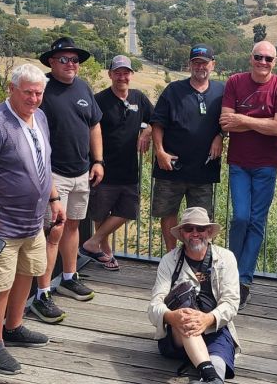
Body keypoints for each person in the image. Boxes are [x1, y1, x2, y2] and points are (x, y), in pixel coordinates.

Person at [0, 64, 63, 373]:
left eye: (39, 93)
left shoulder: (41, 118)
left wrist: (54, 198)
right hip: (3, 225)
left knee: (27, 274)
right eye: (28, 93)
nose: (34, 99)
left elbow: (43, 163)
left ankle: (14, 326)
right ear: (11, 89)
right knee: (0, 286)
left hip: (33, 221)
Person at [148, 207, 240, 384]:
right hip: (179, 335)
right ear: (182, 234)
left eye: (201, 229)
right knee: (187, 316)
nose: (195, 233)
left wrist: (208, 319)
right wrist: (172, 316)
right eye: (189, 229)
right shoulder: (170, 261)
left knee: (217, 364)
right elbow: (153, 307)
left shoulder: (225, 258)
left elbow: (231, 303)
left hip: (215, 327)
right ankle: (211, 380)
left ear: (209, 232)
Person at [35, 36, 104, 322]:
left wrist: (98, 160)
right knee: (53, 231)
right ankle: (42, 293)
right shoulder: (42, 90)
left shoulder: (83, 87)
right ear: (51, 61)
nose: (71, 64)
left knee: (73, 225)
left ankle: (68, 276)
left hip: (81, 171)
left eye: (75, 60)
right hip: (54, 174)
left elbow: (94, 125)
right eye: (64, 59)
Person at [220, 41, 277, 306]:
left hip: (266, 165)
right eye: (259, 57)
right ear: (250, 58)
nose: (263, 62)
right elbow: (227, 122)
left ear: (275, 61)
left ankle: (244, 279)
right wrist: (261, 122)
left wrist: (244, 119)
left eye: (268, 59)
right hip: (239, 163)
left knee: (256, 221)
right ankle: (230, 271)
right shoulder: (235, 82)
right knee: (240, 217)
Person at [79, 55, 154, 270]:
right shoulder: (99, 100)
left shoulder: (138, 98)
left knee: (128, 211)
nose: (122, 77)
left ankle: (92, 243)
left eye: (126, 72)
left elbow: (157, 119)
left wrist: (147, 132)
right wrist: (94, 161)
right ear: (110, 74)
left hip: (129, 169)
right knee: (100, 213)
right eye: (118, 72)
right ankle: (105, 252)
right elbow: (88, 129)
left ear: (131, 75)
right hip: (103, 168)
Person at [151, 44, 226, 252]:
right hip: (171, 166)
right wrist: (159, 152)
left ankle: (197, 260)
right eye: (196, 62)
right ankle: (172, 257)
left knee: (201, 221)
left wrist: (220, 135)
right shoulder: (173, 90)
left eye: (204, 62)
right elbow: (157, 123)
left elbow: (228, 121)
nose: (200, 66)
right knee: (168, 214)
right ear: (189, 65)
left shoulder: (222, 91)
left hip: (204, 169)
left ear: (213, 65)